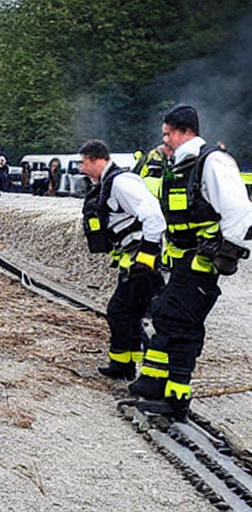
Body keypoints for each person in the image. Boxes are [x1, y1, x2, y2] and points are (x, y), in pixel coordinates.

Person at [129, 105, 252, 422]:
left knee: (179, 324)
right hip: (182, 261)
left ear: (184, 131)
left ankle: (176, 399)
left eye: (167, 134)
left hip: (202, 262)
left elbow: (240, 211)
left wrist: (228, 252)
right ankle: (156, 385)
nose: (165, 140)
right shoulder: (180, 165)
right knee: (168, 316)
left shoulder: (212, 162)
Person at [79, 139, 166, 381]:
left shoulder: (120, 183)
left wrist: (146, 255)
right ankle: (124, 366)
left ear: (97, 159)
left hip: (142, 261)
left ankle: (149, 373)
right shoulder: (108, 183)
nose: (81, 168)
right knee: (127, 314)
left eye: (83, 162)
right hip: (134, 260)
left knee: (126, 313)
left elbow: (154, 215)